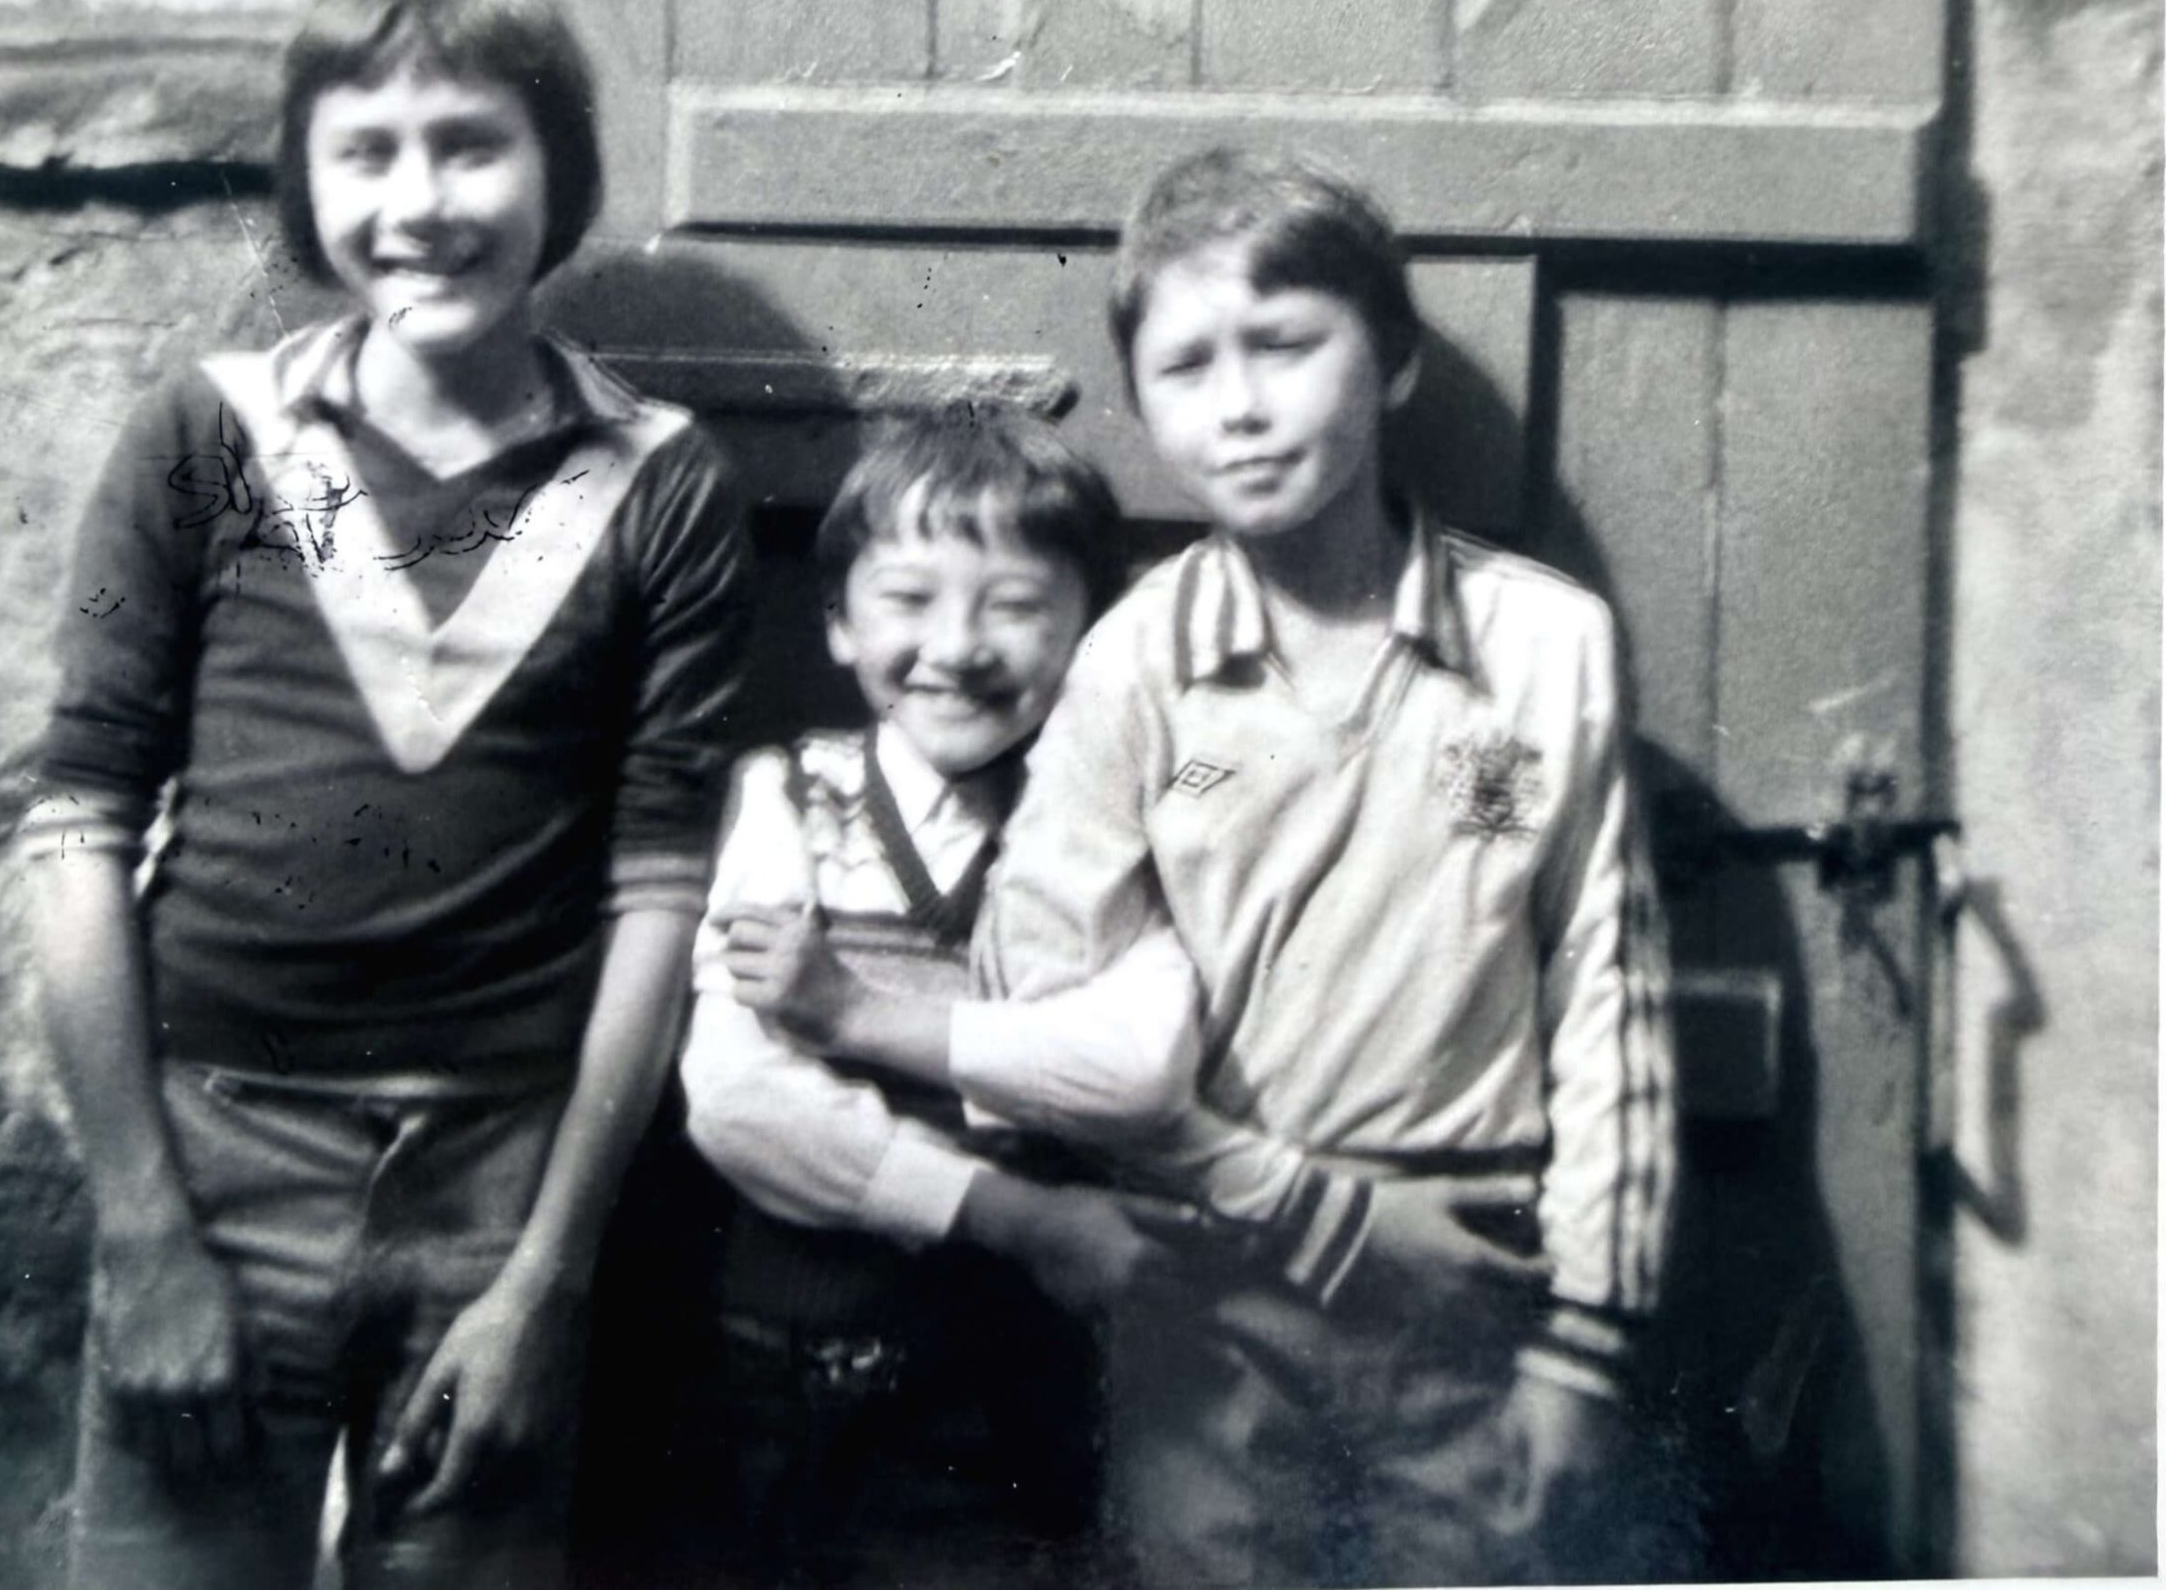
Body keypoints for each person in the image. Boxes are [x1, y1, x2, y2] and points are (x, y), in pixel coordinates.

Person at [23, 0, 753, 1590]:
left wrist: (548, 1281)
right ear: (306, 179)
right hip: (215, 1169)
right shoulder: (214, 437)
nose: (420, 201)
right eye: (367, 151)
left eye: (472, 144)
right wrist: (147, 1235)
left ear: (557, 171)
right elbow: (74, 829)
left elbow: (660, 894)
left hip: (497, 1191)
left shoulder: (656, 482)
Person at [961, 149, 1681, 1586]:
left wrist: (1585, 1343)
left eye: (1285, 345)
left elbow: (1609, 994)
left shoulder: (1547, 647)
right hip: (1212, 1289)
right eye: (1186, 366)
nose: (1237, 404)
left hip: (1482, 1281)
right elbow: (1037, 999)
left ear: (1393, 359)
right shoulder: (1135, 665)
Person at [682, 411, 1202, 1587]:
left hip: (1045, 1366)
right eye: (909, 601)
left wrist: (860, 1017)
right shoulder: (788, 805)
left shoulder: (1113, 826)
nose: (956, 647)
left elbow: (1143, 1059)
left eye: (1014, 606)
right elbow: (738, 1099)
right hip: (812, 1353)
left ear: (1090, 632)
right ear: (835, 623)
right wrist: (1017, 1216)